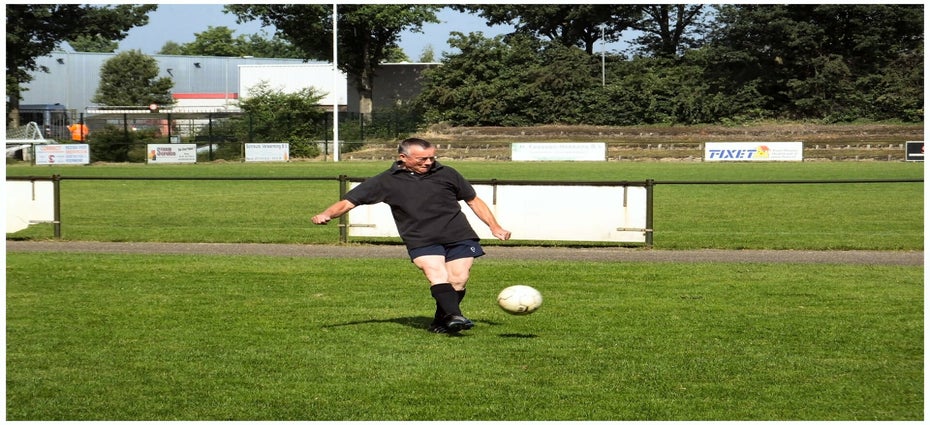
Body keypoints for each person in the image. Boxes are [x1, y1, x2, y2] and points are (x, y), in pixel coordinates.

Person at [312, 137, 512, 334]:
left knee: (458, 279)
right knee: (436, 274)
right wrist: (327, 214)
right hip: (420, 237)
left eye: (432, 158)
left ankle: (441, 321)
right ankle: (454, 315)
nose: (428, 162)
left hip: (458, 233)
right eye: (422, 159)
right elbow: (349, 202)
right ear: (403, 157)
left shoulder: (447, 173)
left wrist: (494, 226)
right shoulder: (385, 181)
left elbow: (473, 200)